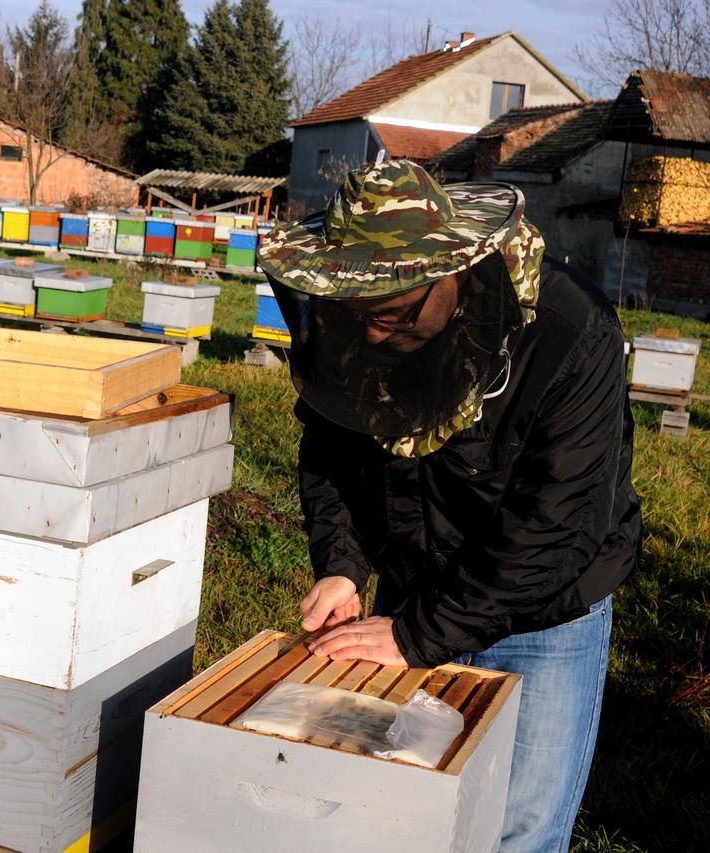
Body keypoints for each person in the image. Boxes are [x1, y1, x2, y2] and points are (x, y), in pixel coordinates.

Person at [257, 159, 641, 853]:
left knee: (518, 826)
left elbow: (556, 528)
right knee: (399, 815)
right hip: (411, 591)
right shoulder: (360, 324)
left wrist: (417, 635)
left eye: (395, 313)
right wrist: (343, 565)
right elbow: (332, 449)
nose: (374, 335)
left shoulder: (568, 333)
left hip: (544, 613)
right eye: (359, 313)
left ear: (459, 273)